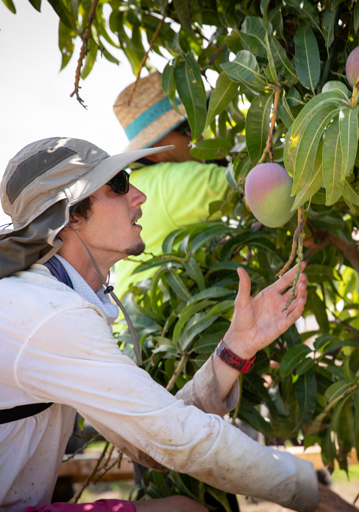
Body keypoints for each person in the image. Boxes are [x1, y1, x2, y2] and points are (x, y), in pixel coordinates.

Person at [0, 137, 319, 512]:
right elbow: (172, 438)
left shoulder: (54, 299)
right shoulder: (47, 312)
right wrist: (311, 492)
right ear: (69, 214)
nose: (139, 196)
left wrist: (235, 349)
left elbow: (148, 438)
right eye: (118, 184)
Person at [112, 72, 230, 300]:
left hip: (136, 328)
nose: (199, 135)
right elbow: (257, 186)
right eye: (187, 128)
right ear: (156, 149)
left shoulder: (135, 184)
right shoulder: (174, 180)